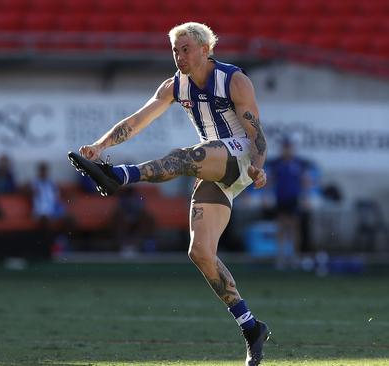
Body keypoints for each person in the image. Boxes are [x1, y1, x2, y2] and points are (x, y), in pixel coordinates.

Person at [68, 22, 270, 365]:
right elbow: (138, 120)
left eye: (186, 49)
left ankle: (120, 175)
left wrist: (259, 167)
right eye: (175, 50)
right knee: (200, 252)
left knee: (185, 156)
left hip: (239, 157)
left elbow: (256, 132)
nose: (179, 56)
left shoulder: (233, 79)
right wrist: (100, 146)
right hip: (214, 164)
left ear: (206, 49)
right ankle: (251, 327)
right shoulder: (175, 85)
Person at [266, 137, 310, 270]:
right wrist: (266, 195)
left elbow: (305, 181)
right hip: (281, 199)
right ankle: (280, 257)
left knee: (294, 228)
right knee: (281, 227)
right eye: (285, 148)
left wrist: (306, 197)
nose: (287, 150)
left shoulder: (299, 163)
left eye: (289, 148)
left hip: (294, 199)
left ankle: (294, 256)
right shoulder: (277, 163)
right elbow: (270, 181)